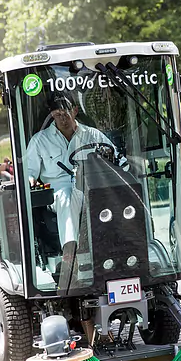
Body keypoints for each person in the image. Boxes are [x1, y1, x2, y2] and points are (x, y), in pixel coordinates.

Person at [25, 95, 125, 266]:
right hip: (58, 190)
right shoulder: (40, 140)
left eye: (66, 114)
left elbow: (118, 159)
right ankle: (70, 251)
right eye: (57, 115)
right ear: (52, 115)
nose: (62, 119)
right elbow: (29, 171)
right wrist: (30, 179)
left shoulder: (92, 134)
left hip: (91, 185)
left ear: (75, 111)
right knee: (67, 195)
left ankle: (122, 245)